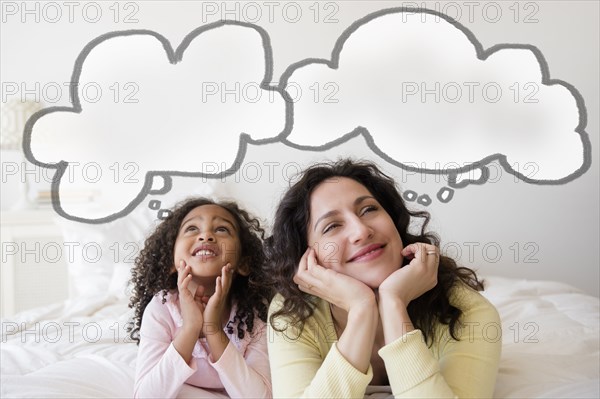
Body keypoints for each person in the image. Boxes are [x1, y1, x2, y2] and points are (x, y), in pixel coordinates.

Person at [265, 159, 501, 398]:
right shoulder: (292, 314)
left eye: (369, 209)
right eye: (332, 226)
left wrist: (393, 303)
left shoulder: (464, 309)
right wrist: (361, 309)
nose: (361, 230)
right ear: (308, 258)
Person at [128, 197, 272, 399]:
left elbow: (261, 397)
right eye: (192, 229)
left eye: (222, 229)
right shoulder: (162, 308)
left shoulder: (255, 317)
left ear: (244, 263)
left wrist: (213, 329)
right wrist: (190, 328)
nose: (206, 235)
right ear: (171, 261)